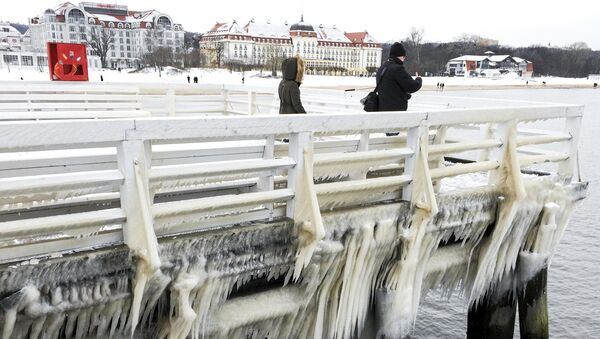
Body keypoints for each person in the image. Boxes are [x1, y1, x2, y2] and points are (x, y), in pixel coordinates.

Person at [377, 42, 422, 113]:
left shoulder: (382, 67)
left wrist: (404, 95)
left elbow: (390, 88)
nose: (404, 59)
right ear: (401, 56)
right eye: (404, 57)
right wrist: (418, 79)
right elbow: (412, 86)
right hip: (396, 111)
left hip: (382, 109)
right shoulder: (397, 69)